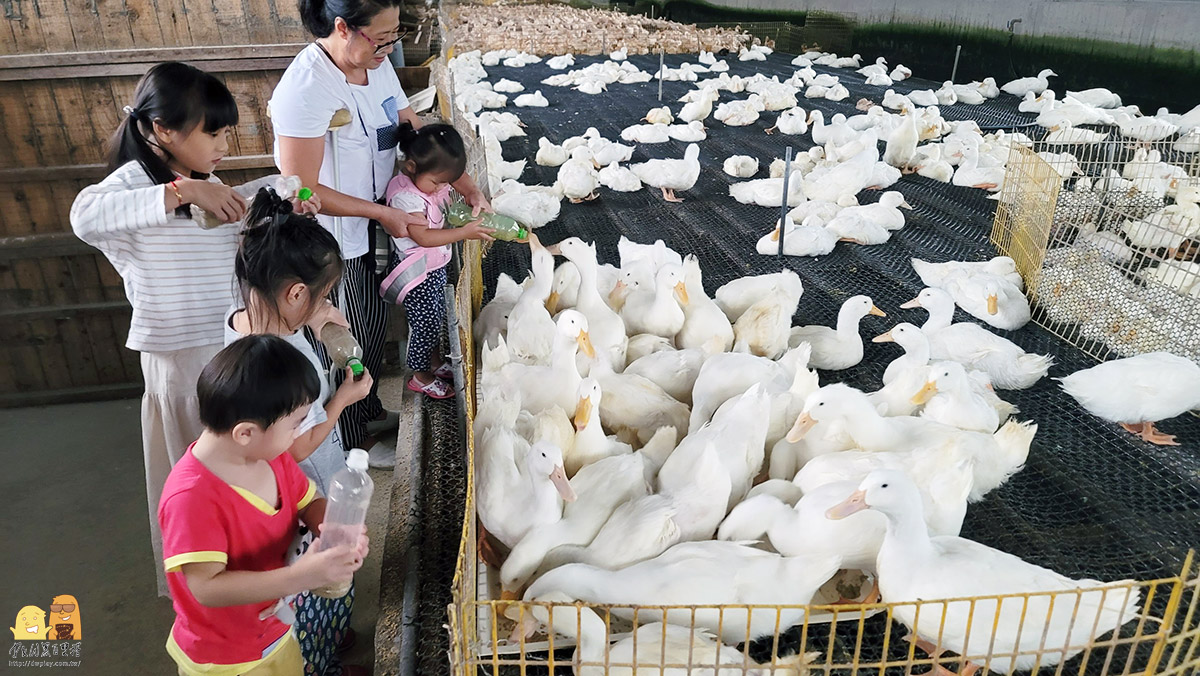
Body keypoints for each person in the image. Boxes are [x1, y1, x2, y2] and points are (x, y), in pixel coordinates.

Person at [69, 62, 315, 597]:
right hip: (180, 365)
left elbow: (230, 232)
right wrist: (182, 193)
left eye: (227, 130)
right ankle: (213, 600)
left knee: (252, 476)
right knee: (204, 491)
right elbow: (82, 216)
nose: (225, 142)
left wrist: (281, 196)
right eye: (214, 130)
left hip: (230, 350)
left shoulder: (208, 183)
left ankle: (276, 595)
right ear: (162, 131)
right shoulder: (136, 187)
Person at [270, 0, 490, 465]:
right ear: (343, 27)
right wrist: (380, 213)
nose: (390, 48)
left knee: (370, 330)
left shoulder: (377, 63)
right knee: (345, 334)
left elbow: (412, 128)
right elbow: (300, 187)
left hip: (377, 225)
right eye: (382, 37)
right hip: (332, 239)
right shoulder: (307, 87)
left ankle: (367, 412)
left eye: (395, 37)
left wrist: (463, 183)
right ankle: (354, 440)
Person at [158, 335, 368, 676]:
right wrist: (300, 576)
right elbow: (206, 587)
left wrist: (334, 526)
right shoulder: (191, 497)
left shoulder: (271, 457)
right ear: (245, 433)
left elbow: (308, 501)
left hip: (275, 627)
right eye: (296, 424)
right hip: (227, 658)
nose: (299, 432)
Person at [228, 188, 373, 676]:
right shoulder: (286, 359)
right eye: (323, 295)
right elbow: (299, 442)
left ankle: (330, 632)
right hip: (305, 476)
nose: (327, 304)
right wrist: (341, 403)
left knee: (313, 570)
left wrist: (319, 318)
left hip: (281, 484)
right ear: (294, 293)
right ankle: (319, 653)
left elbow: (288, 324)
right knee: (316, 565)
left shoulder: (243, 327)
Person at [381, 123, 494, 398]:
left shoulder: (427, 184)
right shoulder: (406, 197)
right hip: (418, 272)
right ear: (410, 166)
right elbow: (422, 237)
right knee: (425, 322)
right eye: (437, 182)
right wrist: (463, 232)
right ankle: (419, 374)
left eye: (446, 183)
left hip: (435, 265)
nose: (441, 188)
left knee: (434, 316)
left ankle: (432, 362)